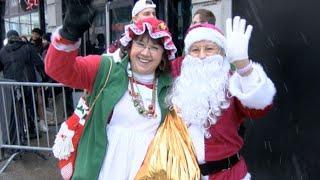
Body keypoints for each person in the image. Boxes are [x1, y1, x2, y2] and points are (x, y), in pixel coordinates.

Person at [45, 0, 177, 179]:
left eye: (154, 47)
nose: (146, 53)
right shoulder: (106, 68)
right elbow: (58, 69)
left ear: (163, 55)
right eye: (140, 44)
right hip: (102, 172)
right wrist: (69, 33)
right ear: (130, 46)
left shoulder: (169, 87)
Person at [168, 16, 276, 179]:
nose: (202, 55)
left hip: (229, 174)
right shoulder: (179, 80)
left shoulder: (233, 82)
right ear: (187, 54)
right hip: (183, 174)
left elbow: (260, 108)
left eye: (209, 49)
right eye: (195, 50)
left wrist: (244, 66)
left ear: (221, 52)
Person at [0, 30, 47, 139]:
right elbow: (39, 63)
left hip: (10, 87)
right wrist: (45, 79)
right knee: (29, 108)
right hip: (27, 84)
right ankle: (31, 131)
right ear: (18, 37)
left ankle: (19, 135)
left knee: (15, 111)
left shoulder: (2, 51)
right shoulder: (27, 47)